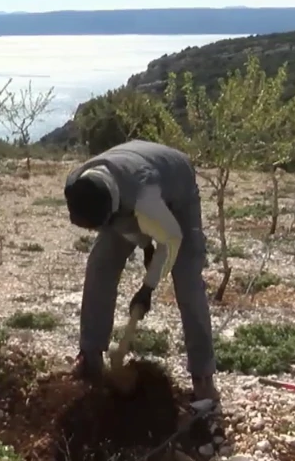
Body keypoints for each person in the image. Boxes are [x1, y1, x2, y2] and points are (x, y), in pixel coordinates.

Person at [62, 139, 220, 407]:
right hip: (127, 187)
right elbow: (125, 226)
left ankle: (203, 375)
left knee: (187, 280)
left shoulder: (145, 199)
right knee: (100, 265)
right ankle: (90, 354)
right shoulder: (78, 184)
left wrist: (147, 288)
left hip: (176, 184)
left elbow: (170, 241)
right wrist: (145, 245)